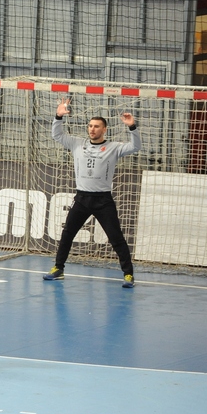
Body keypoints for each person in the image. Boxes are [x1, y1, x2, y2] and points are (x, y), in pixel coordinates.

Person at [42, 98, 142, 288]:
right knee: (67, 234)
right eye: (90, 126)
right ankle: (58, 268)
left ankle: (128, 274)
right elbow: (57, 135)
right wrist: (58, 116)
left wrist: (132, 127)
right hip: (82, 198)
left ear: (104, 130)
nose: (92, 129)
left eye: (96, 126)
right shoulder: (77, 143)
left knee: (116, 238)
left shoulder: (114, 148)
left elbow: (135, 147)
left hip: (103, 200)